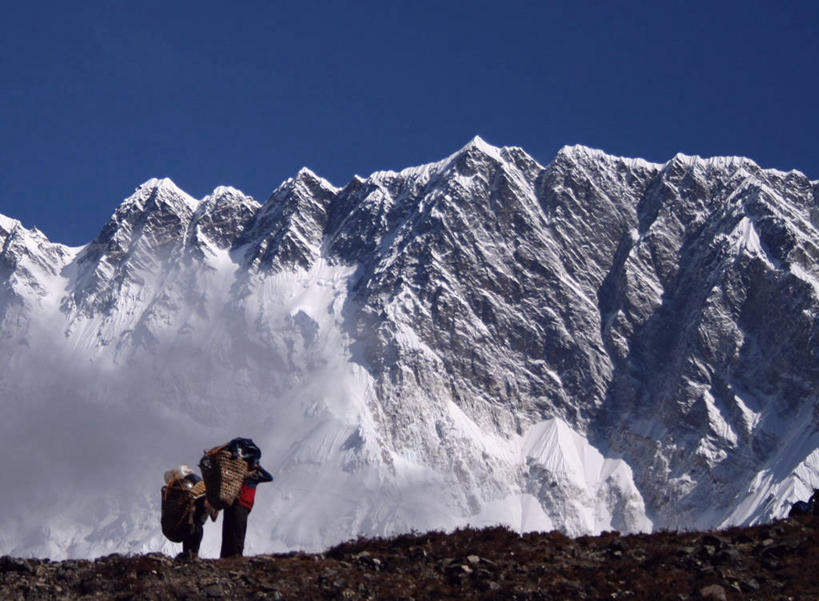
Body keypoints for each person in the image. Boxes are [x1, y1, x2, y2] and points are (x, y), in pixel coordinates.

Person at [220, 461, 273, 558]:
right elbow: (268, 477)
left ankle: (227, 555)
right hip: (241, 506)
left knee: (229, 530)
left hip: (233, 506)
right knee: (239, 531)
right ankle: (236, 554)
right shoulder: (253, 477)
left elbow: (269, 477)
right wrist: (259, 468)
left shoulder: (240, 475)